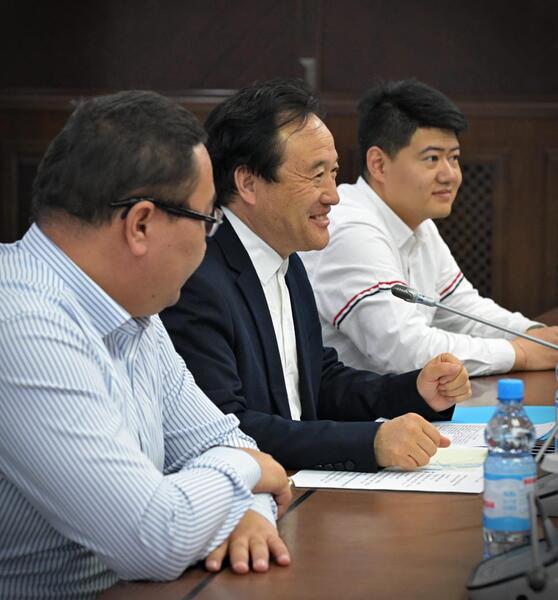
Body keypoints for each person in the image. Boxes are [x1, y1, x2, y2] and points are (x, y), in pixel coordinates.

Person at [0, 91, 293, 599]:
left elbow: (228, 442)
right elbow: (155, 537)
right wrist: (248, 473)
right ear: (141, 224)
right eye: (207, 220)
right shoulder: (22, 322)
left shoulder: (135, 310)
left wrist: (248, 508)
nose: (208, 242)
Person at [160, 78, 472, 476]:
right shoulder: (198, 279)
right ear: (248, 183)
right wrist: (370, 443)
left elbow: (316, 381)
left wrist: (414, 391)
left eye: (333, 173)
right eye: (315, 175)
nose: (333, 195)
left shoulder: (286, 258)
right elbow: (226, 428)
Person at [301, 79, 558, 377]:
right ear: (379, 164)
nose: (450, 175)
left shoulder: (417, 222)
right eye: (432, 158)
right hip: (345, 403)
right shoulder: (350, 229)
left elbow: (462, 310)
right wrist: (520, 354)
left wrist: (535, 334)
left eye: (454, 158)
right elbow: (405, 351)